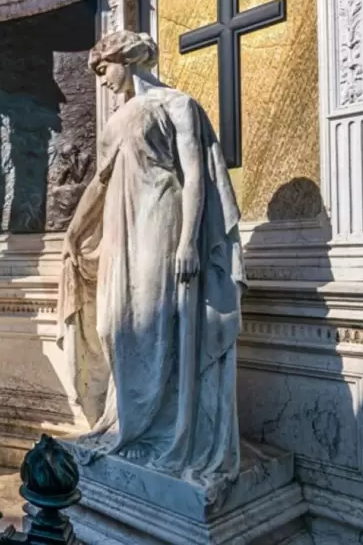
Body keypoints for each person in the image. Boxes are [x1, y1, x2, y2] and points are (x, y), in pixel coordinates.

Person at [57, 30, 245, 501]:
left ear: (124, 59)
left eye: (103, 70)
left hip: (162, 220)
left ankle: (166, 431)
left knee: (157, 321)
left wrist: (188, 242)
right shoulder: (116, 122)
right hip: (123, 228)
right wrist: (73, 233)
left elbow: (197, 173)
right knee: (113, 324)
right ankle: (124, 422)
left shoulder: (177, 105)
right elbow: (99, 187)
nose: (101, 82)